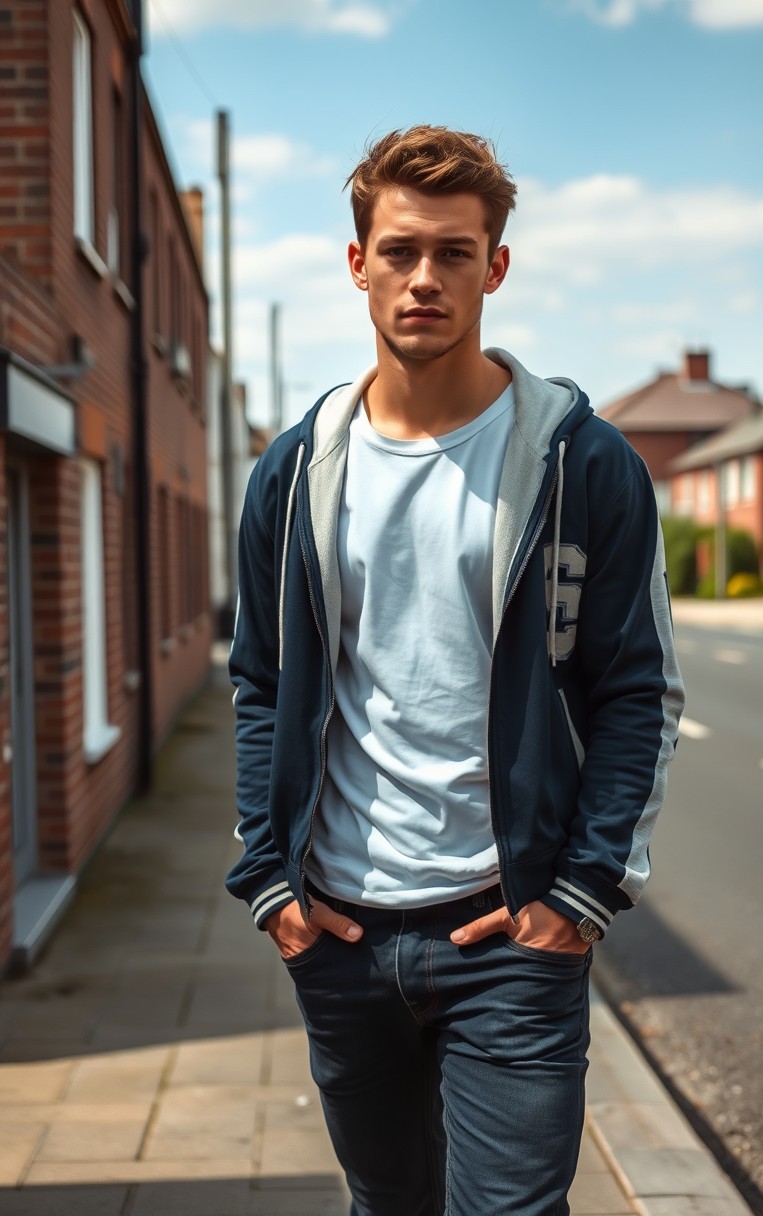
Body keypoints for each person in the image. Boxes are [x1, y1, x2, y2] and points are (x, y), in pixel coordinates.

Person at [227, 125, 684, 1216]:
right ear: (356, 263)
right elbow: (259, 684)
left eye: (453, 252)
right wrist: (271, 883)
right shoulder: (291, 474)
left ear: (496, 266)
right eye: (397, 250)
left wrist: (576, 896)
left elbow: (638, 691)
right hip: (337, 930)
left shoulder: (582, 462)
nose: (423, 277)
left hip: (508, 933)